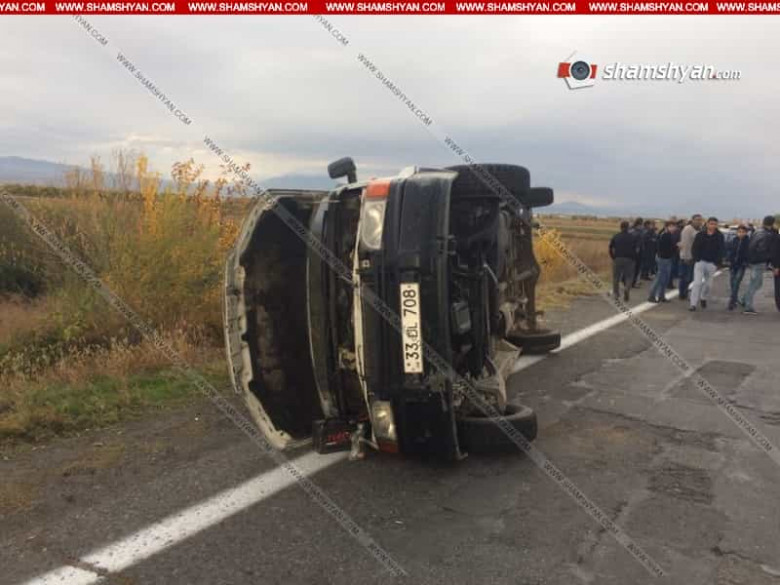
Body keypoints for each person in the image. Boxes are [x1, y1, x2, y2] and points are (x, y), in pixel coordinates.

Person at [740, 215, 777, 315]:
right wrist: (770, 258)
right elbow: (763, 249)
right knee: (755, 284)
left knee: (755, 283)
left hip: (753, 261)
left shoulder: (757, 231)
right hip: (759, 262)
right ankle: (748, 307)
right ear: (772, 223)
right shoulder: (768, 235)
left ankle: (744, 299)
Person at [689, 217, 725, 311]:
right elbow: (694, 247)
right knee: (697, 283)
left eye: (714, 224)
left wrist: (717, 262)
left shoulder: (719, 236)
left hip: (711, 263)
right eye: (711, 223)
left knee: (708, 285)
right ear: (707, 224)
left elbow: (721, 250)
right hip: (700, 262)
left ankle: (703, 297)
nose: (712, 226)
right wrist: (696, 258)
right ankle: (693, 304)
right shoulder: (700, 234)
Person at [648, 220, 678, 303]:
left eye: (674, 226)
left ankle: (661, 295)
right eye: (671, 226)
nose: (673, 228)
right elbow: (666, 248)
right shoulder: (665, 235)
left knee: (665, 278)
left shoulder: (666, 234)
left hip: (665, 257)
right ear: (667, 227)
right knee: (660, 277)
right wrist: (676, 247)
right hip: (663, 258)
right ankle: (652, 295)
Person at [609, 220, 639, 302]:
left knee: (616, 277)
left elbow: (610, 247)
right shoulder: (633, 237)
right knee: (629, 276)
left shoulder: (616, 236)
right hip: (630, 259)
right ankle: (627, 289)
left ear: (620, 227)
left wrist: (613, 257)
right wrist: (635, 258)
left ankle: (616, 293)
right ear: (628, 228)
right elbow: (637, 249)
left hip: (618, 258)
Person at [678, 214, 703, 300]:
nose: (699, 221)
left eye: (700, 220)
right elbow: (685, 244)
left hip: (694, 257)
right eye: (697, 219)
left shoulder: (698, 229)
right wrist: (686, 257)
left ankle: (685, 292)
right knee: (685, 277)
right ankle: (682, 293)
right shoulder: (688, 229)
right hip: (687, 256)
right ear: (692, 220)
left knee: (690, 277)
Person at [726, 225, 750, 310]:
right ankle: (735, 299)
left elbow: (749, 253)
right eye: (739, 232)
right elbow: (729, 250)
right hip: (733, 265)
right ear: (737, 232)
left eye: (743, 232)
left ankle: (732, 301)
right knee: (732, 283)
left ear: (746, 233)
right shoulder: (734, 240)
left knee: (736, 282)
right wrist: (728, 259)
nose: (741, 234)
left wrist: (746, 262)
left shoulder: (748, 242)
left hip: (741, 265)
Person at [629, 218, 644, 288]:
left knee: (631, 268)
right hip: (637, 253)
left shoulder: (630, 230)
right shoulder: (639, 232)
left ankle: (627, 281)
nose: (642, 226)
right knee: (636, 268)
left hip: (630, 252)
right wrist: (637, 253)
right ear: (639, 225)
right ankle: (633, 283)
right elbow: (638, 245)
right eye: (641, 224)